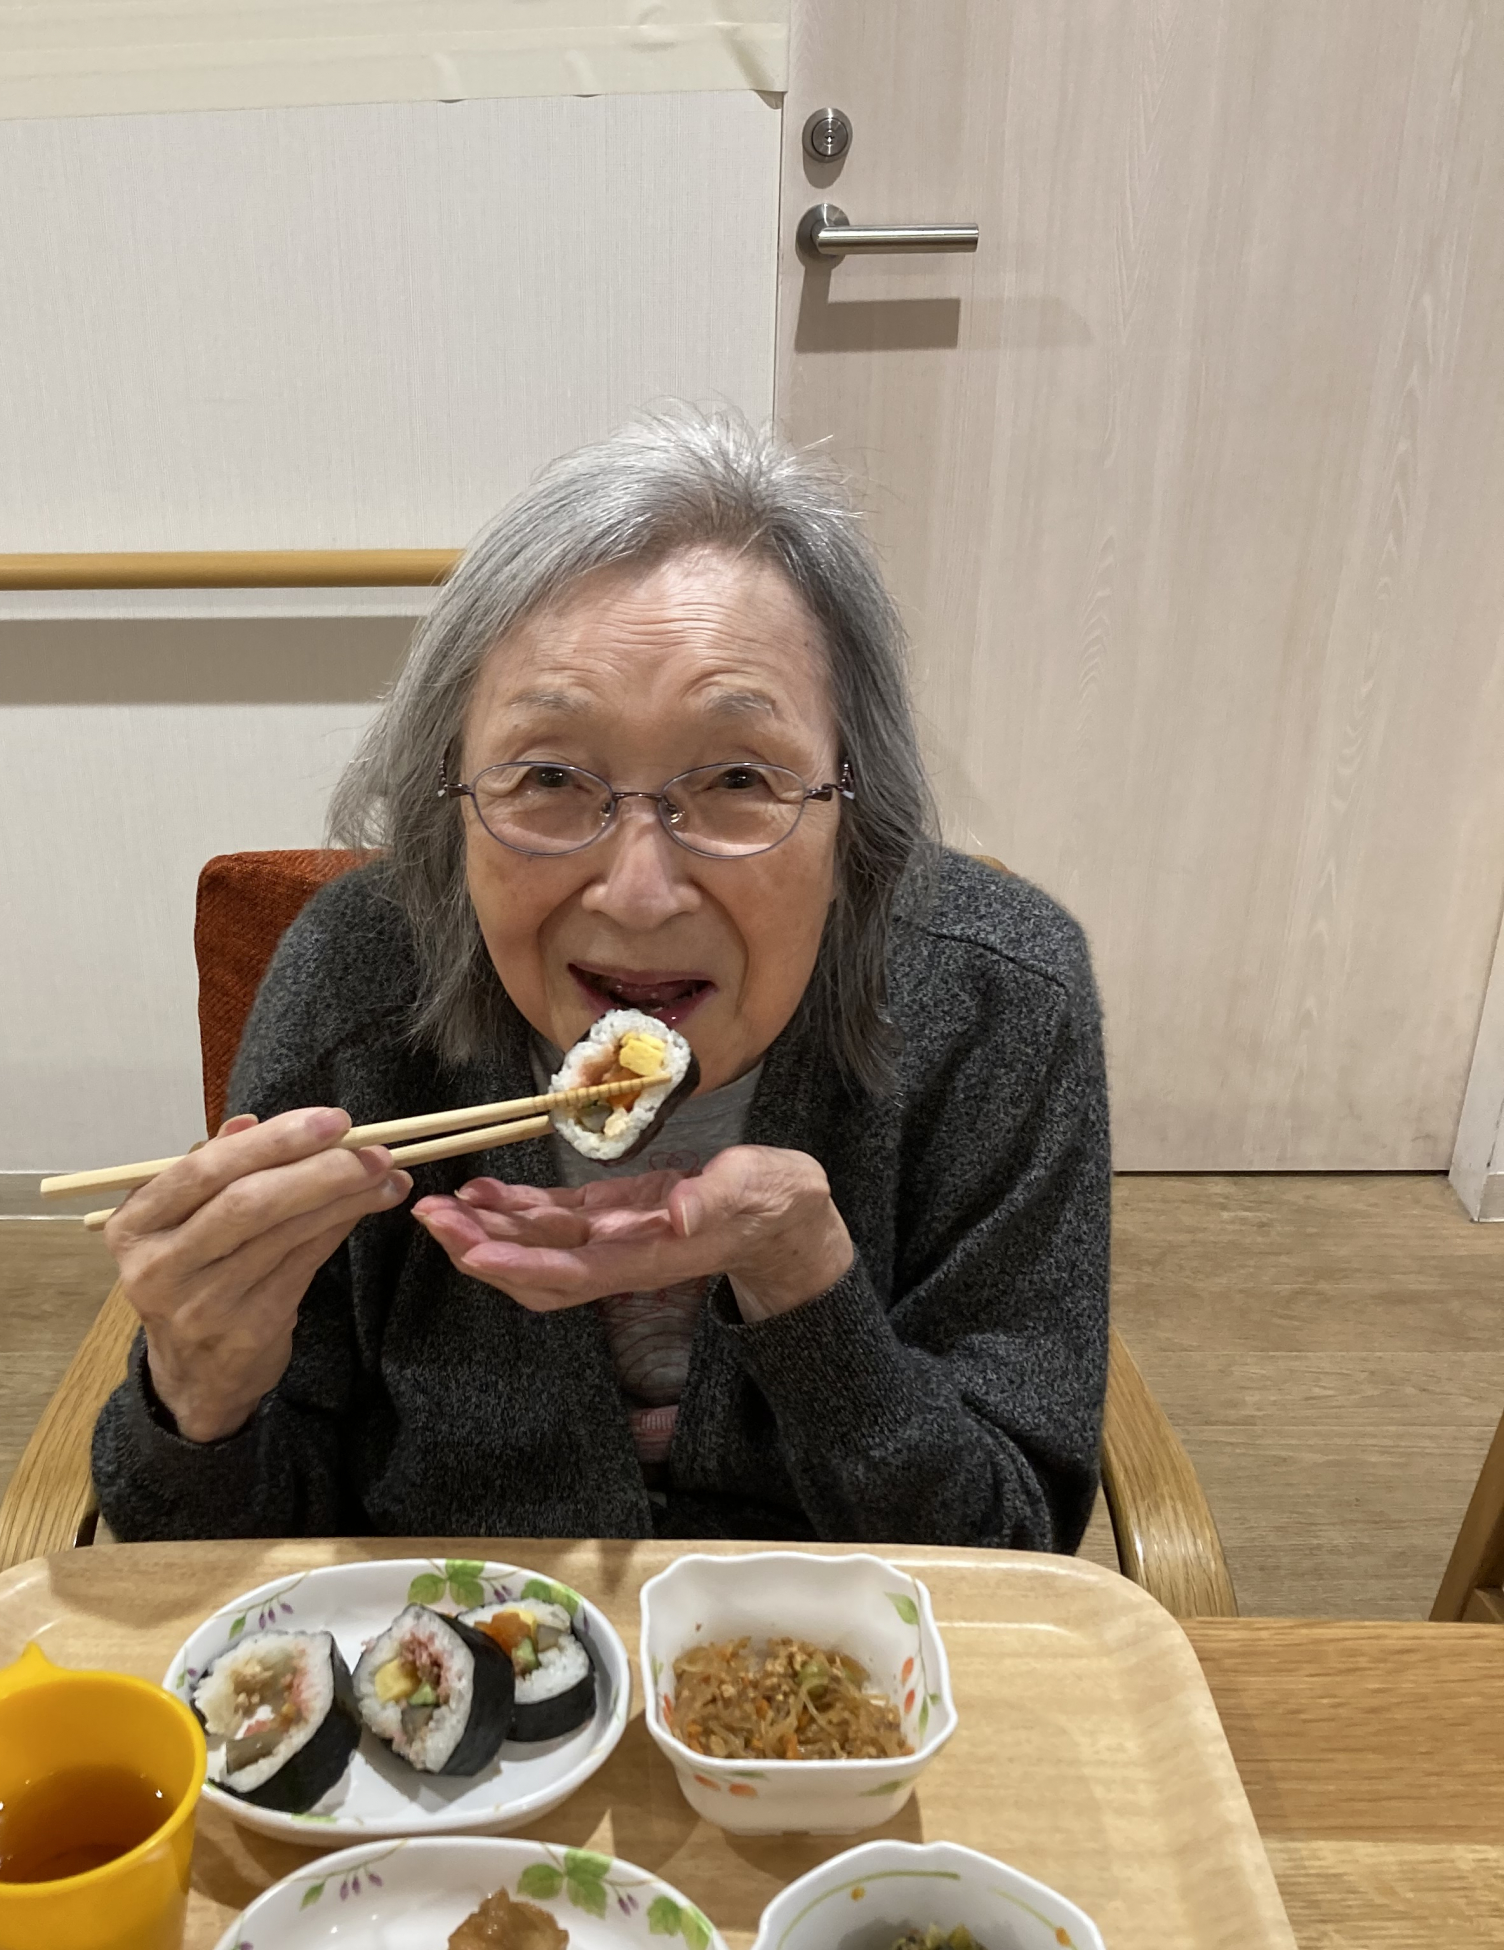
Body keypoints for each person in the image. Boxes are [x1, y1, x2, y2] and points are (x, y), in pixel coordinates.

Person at [91, 408, 1110, 1546]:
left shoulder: (996, 1000)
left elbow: (1016, 1555)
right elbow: (224, 1560)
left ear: (854, 807)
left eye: (738, 778)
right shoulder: (357, 981)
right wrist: (200, 1402)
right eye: (548, 778)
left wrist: (803, 1278)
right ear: (447, 797)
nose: (637, 894)